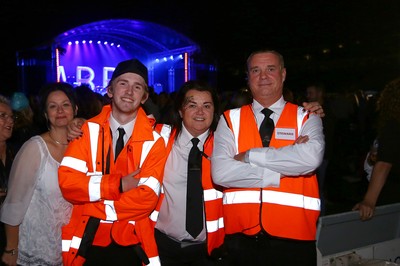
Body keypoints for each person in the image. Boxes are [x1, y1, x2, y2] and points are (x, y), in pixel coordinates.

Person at [211, 49, 325, 265]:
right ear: (248, 77)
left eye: (270, 69)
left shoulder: (308, 116)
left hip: (295, 240)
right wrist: (288, 164)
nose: (263, 76)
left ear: (283, 74)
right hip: (240, 240)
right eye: (256, 70)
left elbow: (310, 159)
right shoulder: (229, 119)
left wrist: (248, 156)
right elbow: (220, 173)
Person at [58, 59, 167, 266]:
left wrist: (91, 202)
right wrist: (118, 185)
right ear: (109, 90)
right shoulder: (86, 131)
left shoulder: (155, 141)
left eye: (137, 87)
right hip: (88, 242)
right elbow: (69, 185)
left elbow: (147, 199)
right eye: (123, 83)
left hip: (131, 244)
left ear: (144, 97)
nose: (129, 91)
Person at [0, 83, 77, 266]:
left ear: (75, 109)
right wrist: (11, 249)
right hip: (36, 250)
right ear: (45, 114)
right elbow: (14, 204)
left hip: (70, 247)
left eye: (65, 105)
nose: (59, 110)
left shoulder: (83, 147)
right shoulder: (35, 148)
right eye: (52, 106)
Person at [151, 80, 226, 265]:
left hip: (210, 250)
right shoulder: (158, 138)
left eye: (206, 106)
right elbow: (120, 125)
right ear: (180, 111)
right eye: (192, 105)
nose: (200, 112)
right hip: (162, 246)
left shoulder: (226, 146)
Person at [352, 77, 400, 221]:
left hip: (393, 194)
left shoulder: (393, 126)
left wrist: (369, 201)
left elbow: (384, 163)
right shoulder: (394, 125)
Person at [305, 82, 335, 215]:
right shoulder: (309, 111)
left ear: (319, 93)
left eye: (311, 93)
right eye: (307, 93)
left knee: (317, 189)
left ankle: (319, 220)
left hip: (322, 157)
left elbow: (328, 137)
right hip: (311, 156)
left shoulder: (326, 113)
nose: (308, 96)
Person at [0, 94, 16, 257]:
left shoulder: (17, 151)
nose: (10, 121)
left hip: (15, 233)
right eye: (3, 116)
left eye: (11, 116)